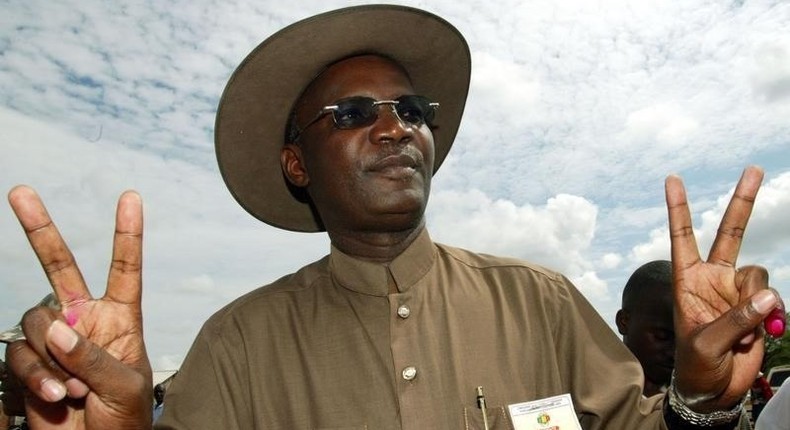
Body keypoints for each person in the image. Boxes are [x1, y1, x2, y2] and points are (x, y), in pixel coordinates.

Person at [2, 4, 786, 430]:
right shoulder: (236, 348)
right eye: (352, 112)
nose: (395, 128)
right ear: (296, 164)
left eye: (412, 109)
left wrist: (697, 402)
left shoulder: (541, 305)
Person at [616, 260, 675, 397]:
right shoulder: (585, 392)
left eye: (685, 342)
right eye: (662, 337)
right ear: (623, 322)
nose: (675, 354)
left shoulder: (696, 400)